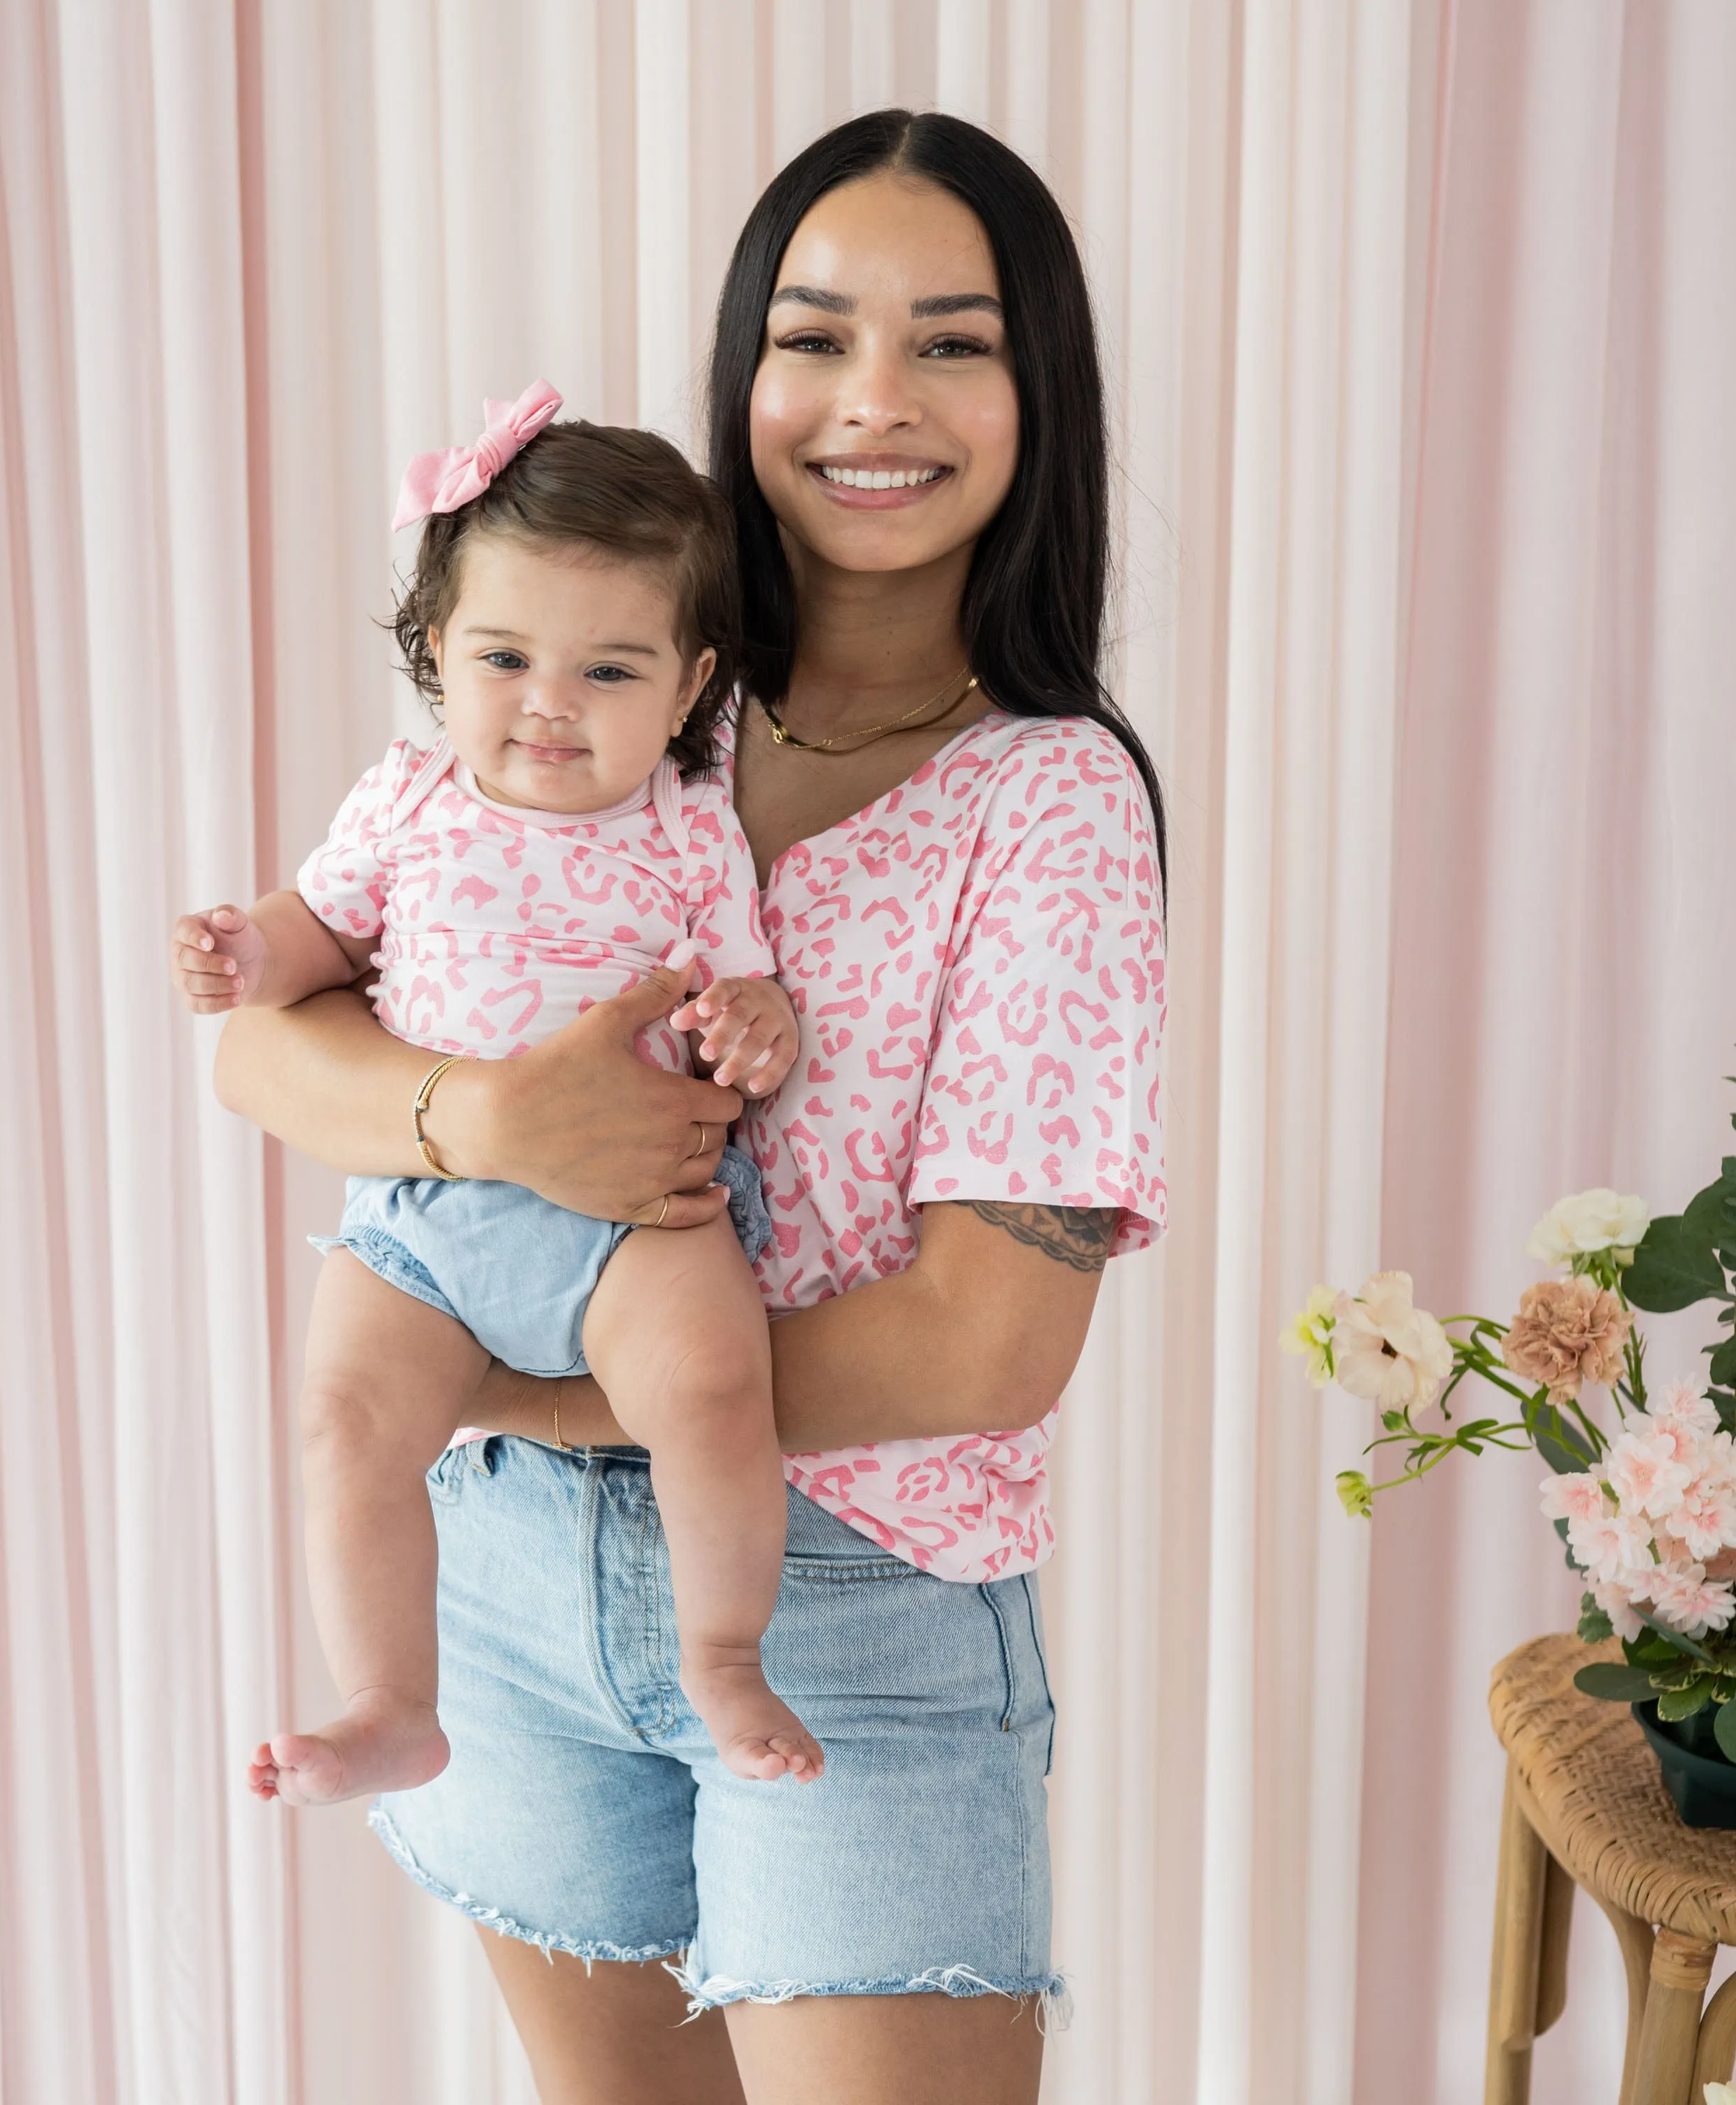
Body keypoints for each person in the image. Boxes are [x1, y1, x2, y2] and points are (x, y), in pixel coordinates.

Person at [217, 109, 1168, 2105]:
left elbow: (987, 1341)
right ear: (745, 371)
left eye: (955, 342)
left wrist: (491, 1389)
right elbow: (267, 1049)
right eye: (814, 336)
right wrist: (492, 1130)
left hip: (850, 1610)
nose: (872, 401)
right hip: (500, 1592)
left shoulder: (1049, 802)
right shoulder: (602, 681)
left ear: (1039, 394)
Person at [172, 400, 824, 1801]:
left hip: (637, 1225)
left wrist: (755, 1024)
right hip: (430, 1221)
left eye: (608, 670)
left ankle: (721, 1648)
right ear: (437, 655)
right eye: (506, 657)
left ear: (690, 682)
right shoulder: (407, 805)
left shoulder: (689, 825)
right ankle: (393, 1703)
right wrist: (247, 949)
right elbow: (319, 938)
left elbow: (745, 986)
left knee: (715, 1392)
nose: (549, 702)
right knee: (345, 1419)